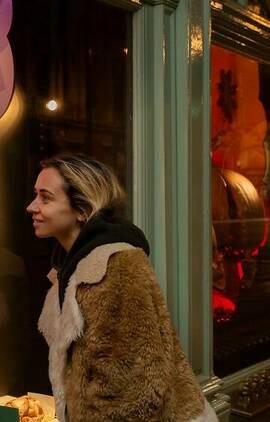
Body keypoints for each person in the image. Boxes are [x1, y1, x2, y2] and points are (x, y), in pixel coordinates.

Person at [26, 154, 218, 422]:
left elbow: (131, 388)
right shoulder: (71, 267)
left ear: (82, 210)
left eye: (45, 197)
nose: (31, 206)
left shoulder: (113, 265)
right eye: (36, 195)